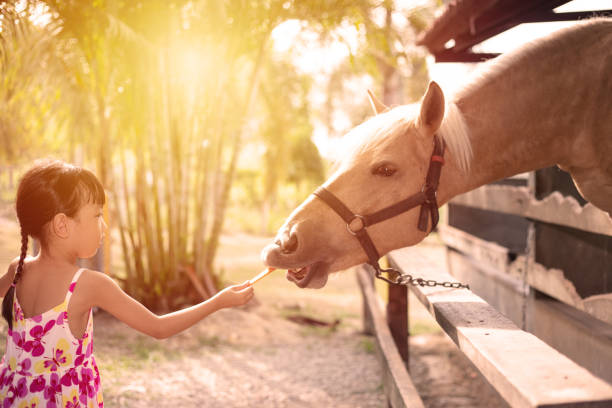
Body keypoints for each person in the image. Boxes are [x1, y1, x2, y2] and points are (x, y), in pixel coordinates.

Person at [0, 159, 254, 407]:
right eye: (97, 215)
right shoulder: (88, 284)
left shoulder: (18, 268)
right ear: (62, 225)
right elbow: (158, 327)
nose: (105, 225)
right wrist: (218, 302)